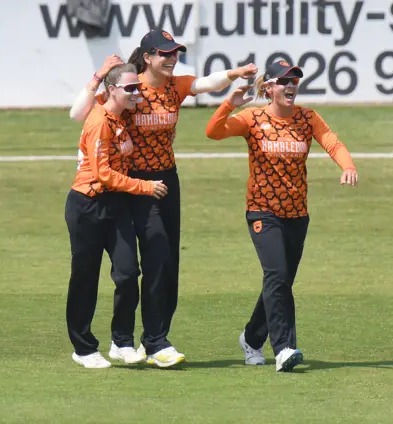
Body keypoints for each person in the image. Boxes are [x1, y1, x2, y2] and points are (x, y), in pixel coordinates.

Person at [69, 30, 258, 368]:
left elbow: (206, 84)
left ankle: (153, 338)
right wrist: (97, 78)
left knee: (167, 260)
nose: (172, 59)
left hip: (166, 178)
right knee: (149, 255)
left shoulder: (174, 86)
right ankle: (147, 341)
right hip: (132, 182)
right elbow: (82, 114)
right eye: (165, 53)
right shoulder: (130, 86)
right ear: (147, 57)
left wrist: (235, 73)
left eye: (175, 53)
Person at [205, 60, 359, 372]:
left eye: (295, 80)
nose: (291, 85)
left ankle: (251, 338)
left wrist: (348, 166)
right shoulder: (252, 117)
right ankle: (285, 347)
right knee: (276, 276)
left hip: (297, 214)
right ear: (269, 87)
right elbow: (213, 132)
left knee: (282, 281)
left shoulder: (307, 118)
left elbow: (332, 142)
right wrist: (227, 104)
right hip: (262, 210)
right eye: (285, 81)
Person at [65, 63, 169, 369]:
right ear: (112, 91)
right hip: (86, 205)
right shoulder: (100, 121)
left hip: (115, 205)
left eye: (138, 86)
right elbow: (104, 175)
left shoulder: (120, 116)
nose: (137, 92)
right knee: (85, 278)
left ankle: (121, 342)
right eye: (130, 88)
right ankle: (83, 348)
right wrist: (146, 187)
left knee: (127, 273)